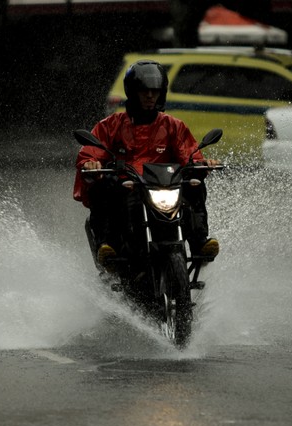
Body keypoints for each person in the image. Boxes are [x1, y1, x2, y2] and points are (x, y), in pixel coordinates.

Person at [73, 60, 220, 270]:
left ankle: (199, 243)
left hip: (164, 189)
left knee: (195, 184)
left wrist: (202, 163)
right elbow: (91, 152)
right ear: (132, 92)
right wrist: (91, 163)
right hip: (127, 188)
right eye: (144, 91)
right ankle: (107, 246)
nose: (150, 96)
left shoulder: (173, 126)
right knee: (101, 186)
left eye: (155, 91)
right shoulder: (111, 126)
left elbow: (189, 155)